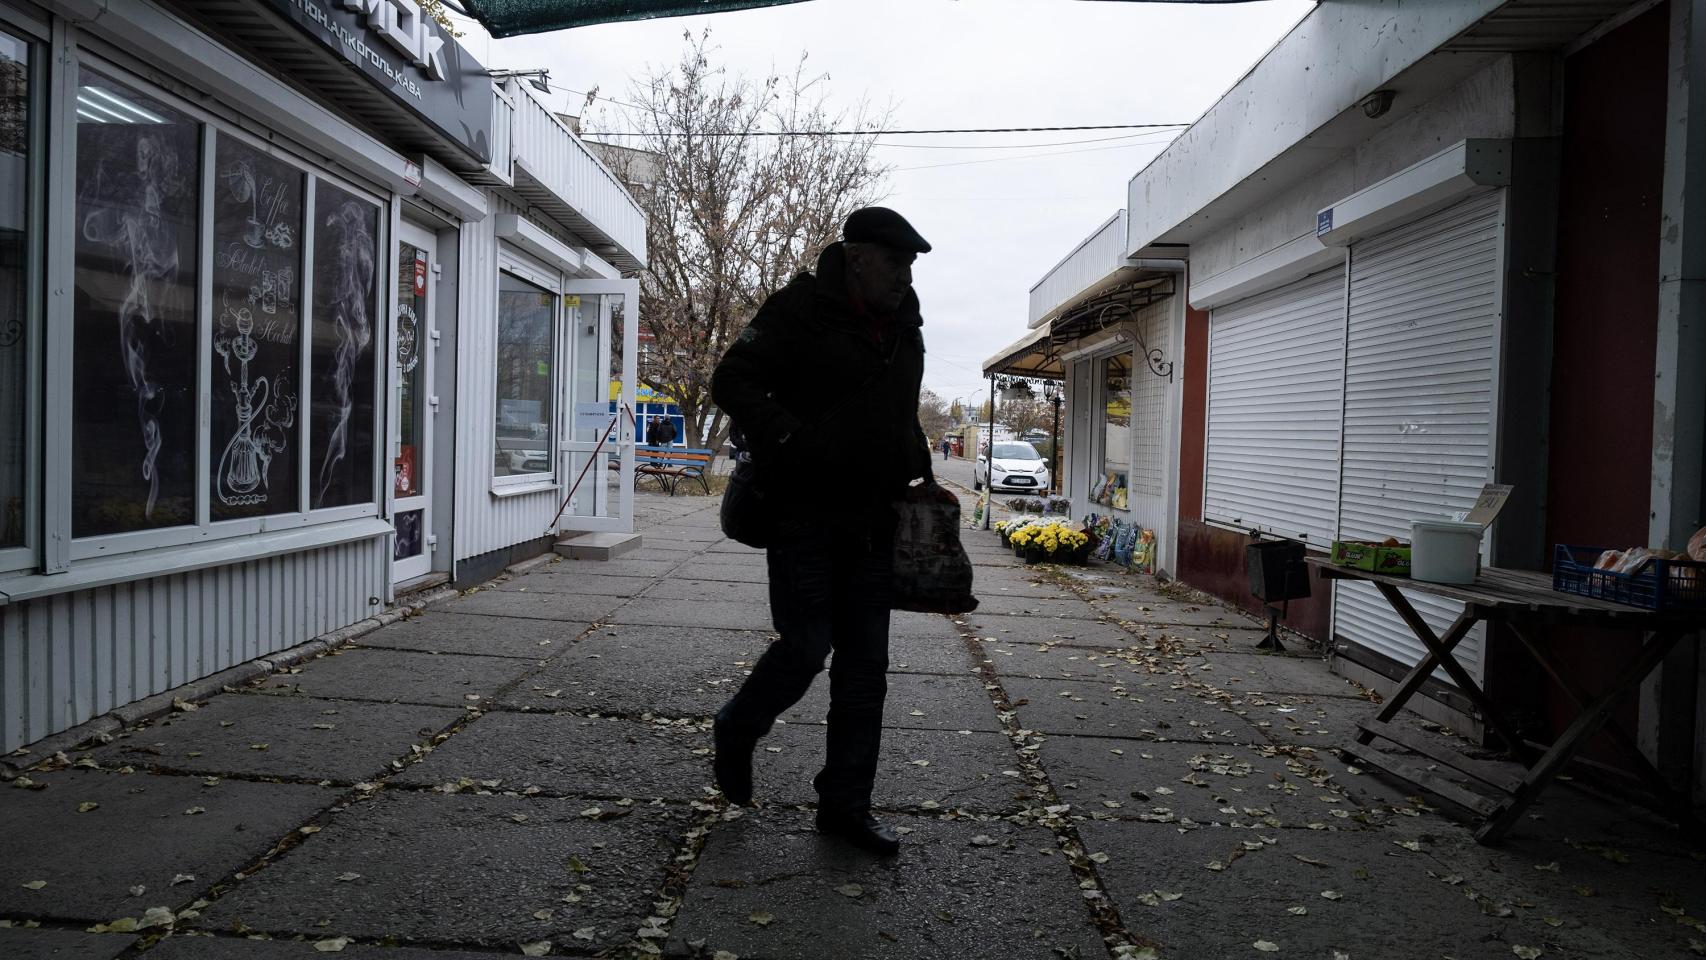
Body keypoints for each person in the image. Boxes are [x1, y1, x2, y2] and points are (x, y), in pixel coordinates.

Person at [709, 206, 933, 856]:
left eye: (911, 265)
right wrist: (787, 436)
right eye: (895, 262)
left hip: (875, 520)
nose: (904, 275)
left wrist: (912, 462)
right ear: (858, 255)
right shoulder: (800, 308)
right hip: (803, 513)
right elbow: (732, 378)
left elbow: (893, 408)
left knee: (865, 672)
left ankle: (845, 806)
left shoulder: (905, 324)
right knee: (807, 645)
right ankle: (739, 726)